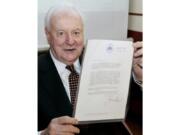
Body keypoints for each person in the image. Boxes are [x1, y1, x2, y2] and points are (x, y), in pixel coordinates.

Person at [38, 3, 143, 135]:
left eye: (76, 32)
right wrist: (43, 133)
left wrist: (140, 77)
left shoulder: (103, 61)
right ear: (47, 34)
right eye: (61, 33)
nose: (70, 41)